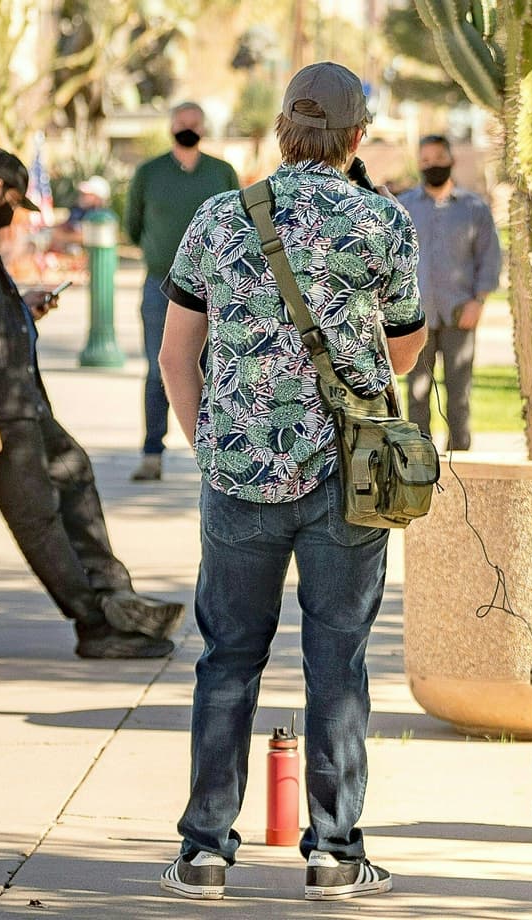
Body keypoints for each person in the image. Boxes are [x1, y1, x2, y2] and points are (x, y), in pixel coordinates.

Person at [156, 62, 425, 902]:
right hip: (348, 478)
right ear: (355, 139)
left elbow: (176, 353)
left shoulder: (216, 216)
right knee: (337, 658)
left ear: (282, 132)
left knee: (227, 656)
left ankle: (205, 851)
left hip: (237, 473)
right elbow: (406, 344)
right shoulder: (383, 220)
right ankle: (335, 853)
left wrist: (212, 443)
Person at [0, 147, 184, 659]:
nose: (11, 214)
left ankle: (112, 593)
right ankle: (95, 624)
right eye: (10, 201)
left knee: (74, 470)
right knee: (38, 517)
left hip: (15, 395)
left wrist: (22, 309)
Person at [125, 102, 239, 481]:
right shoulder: (149, 173)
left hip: (216, 288)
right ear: (171, 126)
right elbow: (132, 226)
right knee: (162, 366)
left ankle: (216, 454)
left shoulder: (221, 173)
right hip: (161, 285)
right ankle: (152, 452)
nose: (187, 128)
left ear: (203, 128)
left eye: (194, 123)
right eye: (181, 122)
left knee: (216, 368)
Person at [398, 134, 501, 450]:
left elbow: (490, 257)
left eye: (438, 159)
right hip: (417, 319)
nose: (432, 166)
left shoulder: (474, 209)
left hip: (460, 315)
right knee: (416, 394)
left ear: (452, 161)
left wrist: (479, 301)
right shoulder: (404, 207)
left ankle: (462, 458)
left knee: (459, 395)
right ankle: (419, 462)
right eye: (425, 160)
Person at [49, 175, 110, 252]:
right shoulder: (78, 210)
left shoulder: (102, 216)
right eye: (82, 194)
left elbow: (90, 237)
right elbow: (67, 225)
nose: (82, 196)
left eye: (87, 194)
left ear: (97, 198)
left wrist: (63, 237)